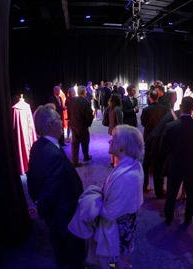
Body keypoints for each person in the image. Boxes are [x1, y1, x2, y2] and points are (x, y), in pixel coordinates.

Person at [70, 125, 144, 269]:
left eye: (113, 139)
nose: (109, 142)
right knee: (122, 256)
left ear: (122, 147)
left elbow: (109, 212)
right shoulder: (129, 166)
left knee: (120, 258)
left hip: (119, 226)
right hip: (125, 222)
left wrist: (91, 201)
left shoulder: (127, 177)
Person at [26, 104, 85, 269]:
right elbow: (51, 189)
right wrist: (40, 208)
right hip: (65, 211)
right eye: (59, 119)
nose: (62, 121)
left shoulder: (38, 146)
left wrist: (38, 202)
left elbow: (32, 178)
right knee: (73, 248)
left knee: (58, 243)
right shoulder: (52, 153)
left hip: (55, 211)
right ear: (51, 125)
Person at [159, 96, 193, 226]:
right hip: (192, 165)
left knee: (171, 193)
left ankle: (169, 218)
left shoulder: (170, 126)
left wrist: (168, 159)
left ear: (181, 107)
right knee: (191, 195)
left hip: (175, 164)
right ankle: (188, 219)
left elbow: (162, 149)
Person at [140, 89, 167, 192]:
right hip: (160, 138)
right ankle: (159, 189)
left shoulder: (146, 110)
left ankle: (144, 185)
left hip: (149, 138)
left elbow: (143, 123)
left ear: (149, 97)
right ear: (157, 97)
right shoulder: (164, 109)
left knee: (146, 163)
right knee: (159, 164)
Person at [70, 85, 94, 167]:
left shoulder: (72, 101)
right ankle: (86, 156)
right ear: (84, 93)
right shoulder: (86, 103)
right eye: (86, 91)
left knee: (75, 143)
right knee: (85, 142)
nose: (87, 92)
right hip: (82, 126)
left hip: (73, 125)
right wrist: (89, 123)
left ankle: (74, 161)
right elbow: (89, 117)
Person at [108, 94, 123, 167]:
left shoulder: (110, 108)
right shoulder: (118, 109)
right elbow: (119, 122)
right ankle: (116, 163)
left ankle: (112, 161)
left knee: (112, 145)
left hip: (111, 129)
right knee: (117, 147)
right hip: (117, 130)